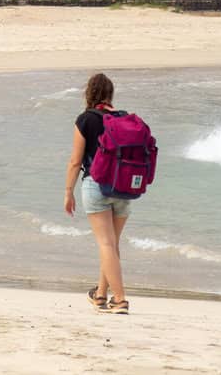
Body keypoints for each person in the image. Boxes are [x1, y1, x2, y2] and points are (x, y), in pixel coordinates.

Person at [64, 72, 131, 314]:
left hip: (96, 185)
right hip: (124, 188)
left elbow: (75, 161)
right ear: (110, 94)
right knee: (111, 245)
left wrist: (68, 191)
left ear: (89, 93)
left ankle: (120, 299)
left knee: (105, 244)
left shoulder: (85, 120)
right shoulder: (124, 118)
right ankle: (101, 295)